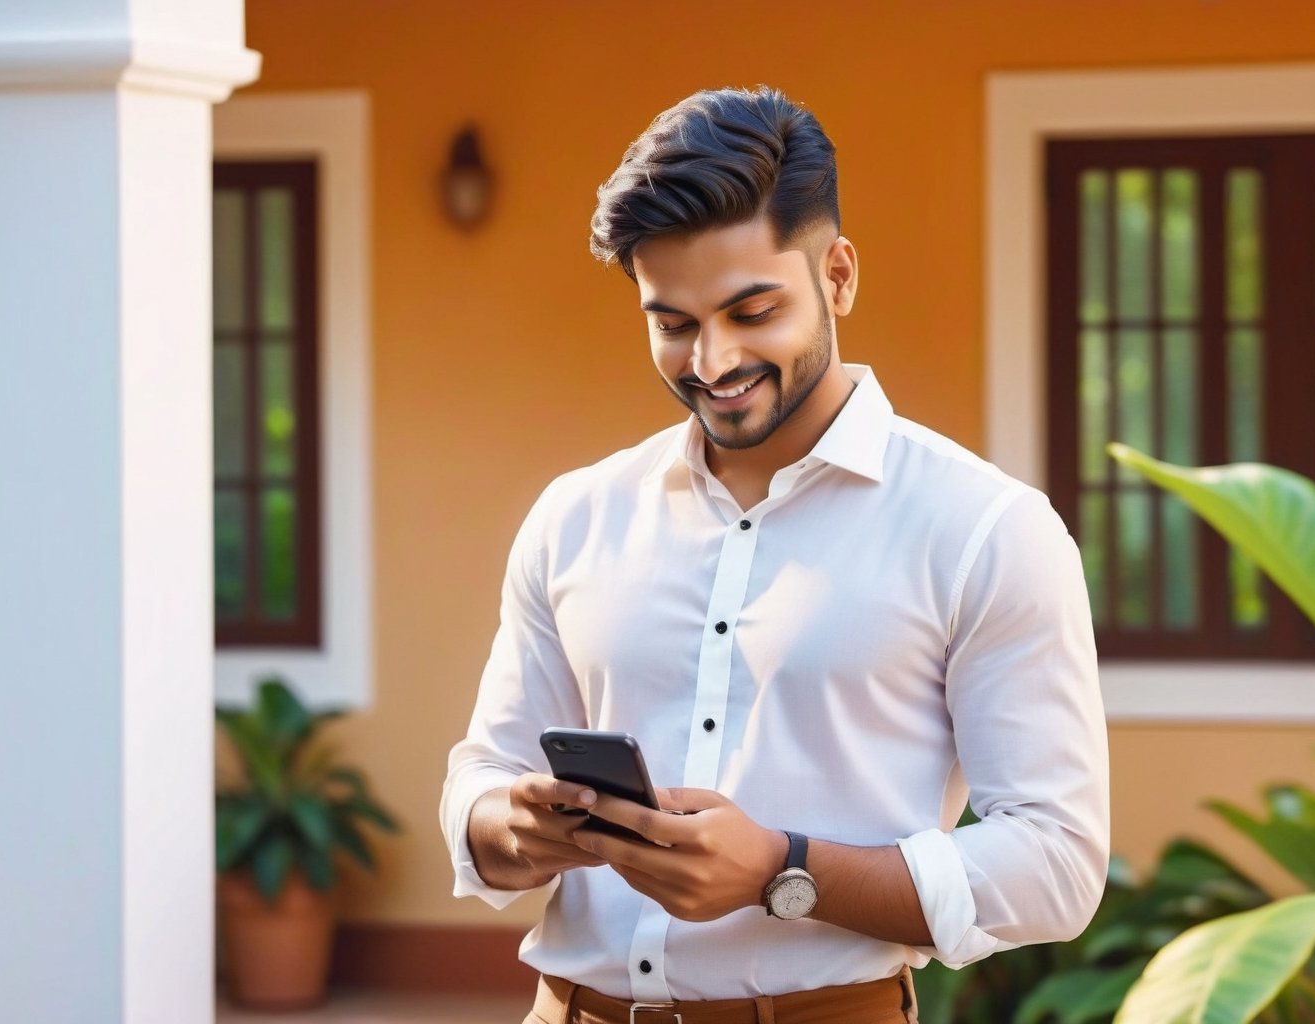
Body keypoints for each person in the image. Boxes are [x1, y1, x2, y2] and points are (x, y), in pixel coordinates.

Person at [440, 86, 1109, 1024]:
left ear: (837, 276)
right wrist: (511, 826)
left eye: (752, 310)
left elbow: (1055, 862)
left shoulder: (985, 530)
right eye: (672, 323)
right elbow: (482, 772)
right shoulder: (576, 516)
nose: (711, 361)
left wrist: (781, 872)